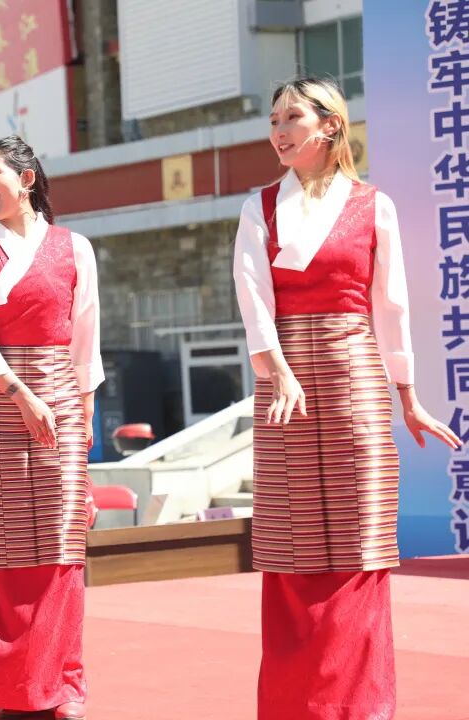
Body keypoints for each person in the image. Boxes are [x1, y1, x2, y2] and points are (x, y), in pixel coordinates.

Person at [233, 77, 462, 720]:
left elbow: (392, 307)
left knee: (360, 542)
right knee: (292, 545)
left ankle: (358, 707)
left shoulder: (372, 205)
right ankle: (294, 705)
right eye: (273, 120)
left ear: (330, 125)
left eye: (292, 118)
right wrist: (279, 372)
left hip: (354, 377)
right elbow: (253, 299)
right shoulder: (258, 208)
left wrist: (408, 396)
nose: (279, 131)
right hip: (283, 388)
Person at [0, 135, 103, 720]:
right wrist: (20, 395)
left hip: (61, 402)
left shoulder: (75, 248)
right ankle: (15, 683)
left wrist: (84, 424)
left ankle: (63, 683)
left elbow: (86, 343)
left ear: (28, 178)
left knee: (62, 548)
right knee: (8, 548)